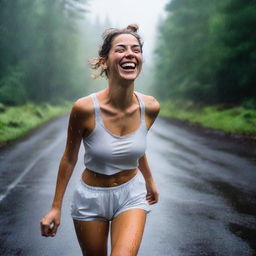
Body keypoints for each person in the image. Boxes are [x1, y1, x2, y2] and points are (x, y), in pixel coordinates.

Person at [40, 24, 160, 256]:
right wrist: (56, 207)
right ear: (104, 61)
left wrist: (149, 180)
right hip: (91, 198)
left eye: (136, 49)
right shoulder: (84, 109)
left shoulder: (150, 107)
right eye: (121, 49)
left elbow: (135, 147)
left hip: (131, 196)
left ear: (141, 60)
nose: (130, 54)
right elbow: (69, 157)